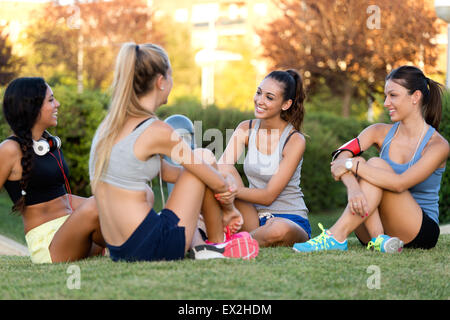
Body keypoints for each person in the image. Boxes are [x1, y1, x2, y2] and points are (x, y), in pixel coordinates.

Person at [89, 42, 259, 262]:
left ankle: (208, 245)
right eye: (170, 76)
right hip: (152, 247)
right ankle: (216, 244)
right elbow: (209, 177)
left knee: (203, 167)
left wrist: (211, 181)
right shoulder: (156, 130)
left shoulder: (109, 127)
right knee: (204, 158)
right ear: (161, 82)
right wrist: (228, 208)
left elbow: (173, 174)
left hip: (120, 250)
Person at [293, 65, 449, 253]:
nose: (385, 103)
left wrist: (354, 165)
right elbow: (339, 157)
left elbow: (400, 183)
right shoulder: (377, 132)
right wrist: (353, 188)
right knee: (373, 167)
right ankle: (378, 239)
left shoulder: (437, 146)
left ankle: (336, 235)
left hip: (418, 231)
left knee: (375, 164)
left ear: (415, 97)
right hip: (371, 229)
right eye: (385, 96)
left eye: (393, 95)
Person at [0, 77, 105, 264]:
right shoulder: (9, 149)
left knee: (118, 201)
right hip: (49, 245)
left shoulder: (49, 145)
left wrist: (108, 204)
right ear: (31, 107)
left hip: (72, 232)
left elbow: (64, 199)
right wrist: (95, 206)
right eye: (50, 100)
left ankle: (146, 241)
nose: (57, 104)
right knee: (98, 205)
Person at [217, 69, 311, 247]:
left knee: (277, 229)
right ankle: (240, 238)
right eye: (259, 92)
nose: (259, 101)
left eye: (269, 97)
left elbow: (268, 196)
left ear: (285, 104)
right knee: (222, 169)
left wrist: (231, 191)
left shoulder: (294, 140)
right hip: (253, 215)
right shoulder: (246, 128)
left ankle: (227, 244)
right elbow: (221, 168)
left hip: (289, 219)